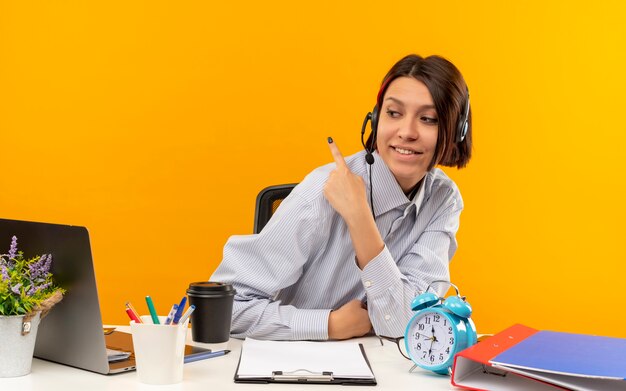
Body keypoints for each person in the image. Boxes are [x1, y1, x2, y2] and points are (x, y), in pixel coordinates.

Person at [211, 54, 473, 341]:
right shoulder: (318, 194)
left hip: (381, 371)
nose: (406, 132)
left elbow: (404, 323)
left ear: (455, 132)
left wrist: (359, 217)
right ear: (374, 119)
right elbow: (224, 310)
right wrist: (329, 325)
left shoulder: (442, 199)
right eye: (393, 113)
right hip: (293, 369)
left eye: (428, 119)